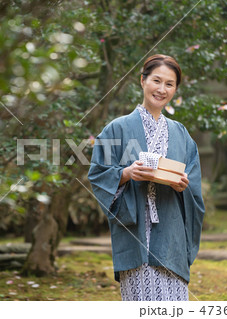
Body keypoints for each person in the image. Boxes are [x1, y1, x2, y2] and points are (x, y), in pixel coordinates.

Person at [87, 54, 205, 301]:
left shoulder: (180, 133)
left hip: (171, 236)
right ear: (142, 81)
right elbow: (98, 174)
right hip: (136, 233)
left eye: (169, 84)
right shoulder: (117, 129)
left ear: (175, 89)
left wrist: (183, 185)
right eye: (156, 80)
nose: (162, 89)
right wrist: (125, 174)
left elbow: (193, 184)